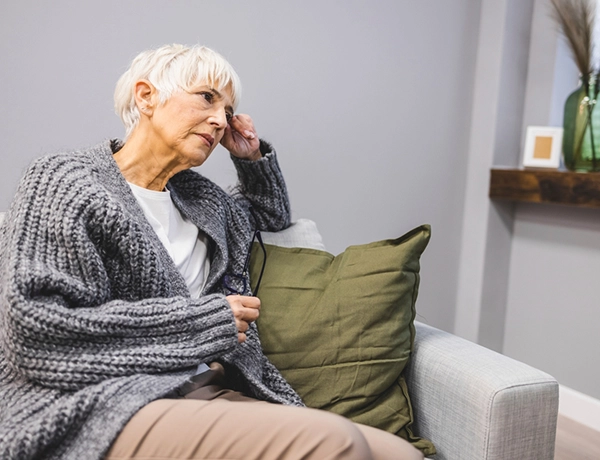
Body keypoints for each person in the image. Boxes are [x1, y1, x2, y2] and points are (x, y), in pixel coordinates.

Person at [0, 44, 423, 460]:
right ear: (146, 96)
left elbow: (268, 215)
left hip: (207, 389)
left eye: (228, 110)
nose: (220, 120)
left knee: (398, 454)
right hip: (106, 401)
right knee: (335, 441)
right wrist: (206, 322)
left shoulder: (199, 199)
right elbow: (36, 331)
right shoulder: (66, 181)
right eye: (207, 97)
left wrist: (251, 158)